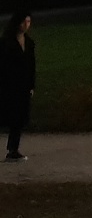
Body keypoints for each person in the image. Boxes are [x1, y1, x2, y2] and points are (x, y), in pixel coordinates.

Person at [2, 11, 33, 161]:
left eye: (28, 21)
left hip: (23, 86)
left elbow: (31, 66)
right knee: (10, 116)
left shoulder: (29, 43)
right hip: (9, 85)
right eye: (24, 22)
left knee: (19, 119)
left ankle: (13, 149)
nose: (26, 25)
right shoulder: (6, 43)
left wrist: (31, 86)